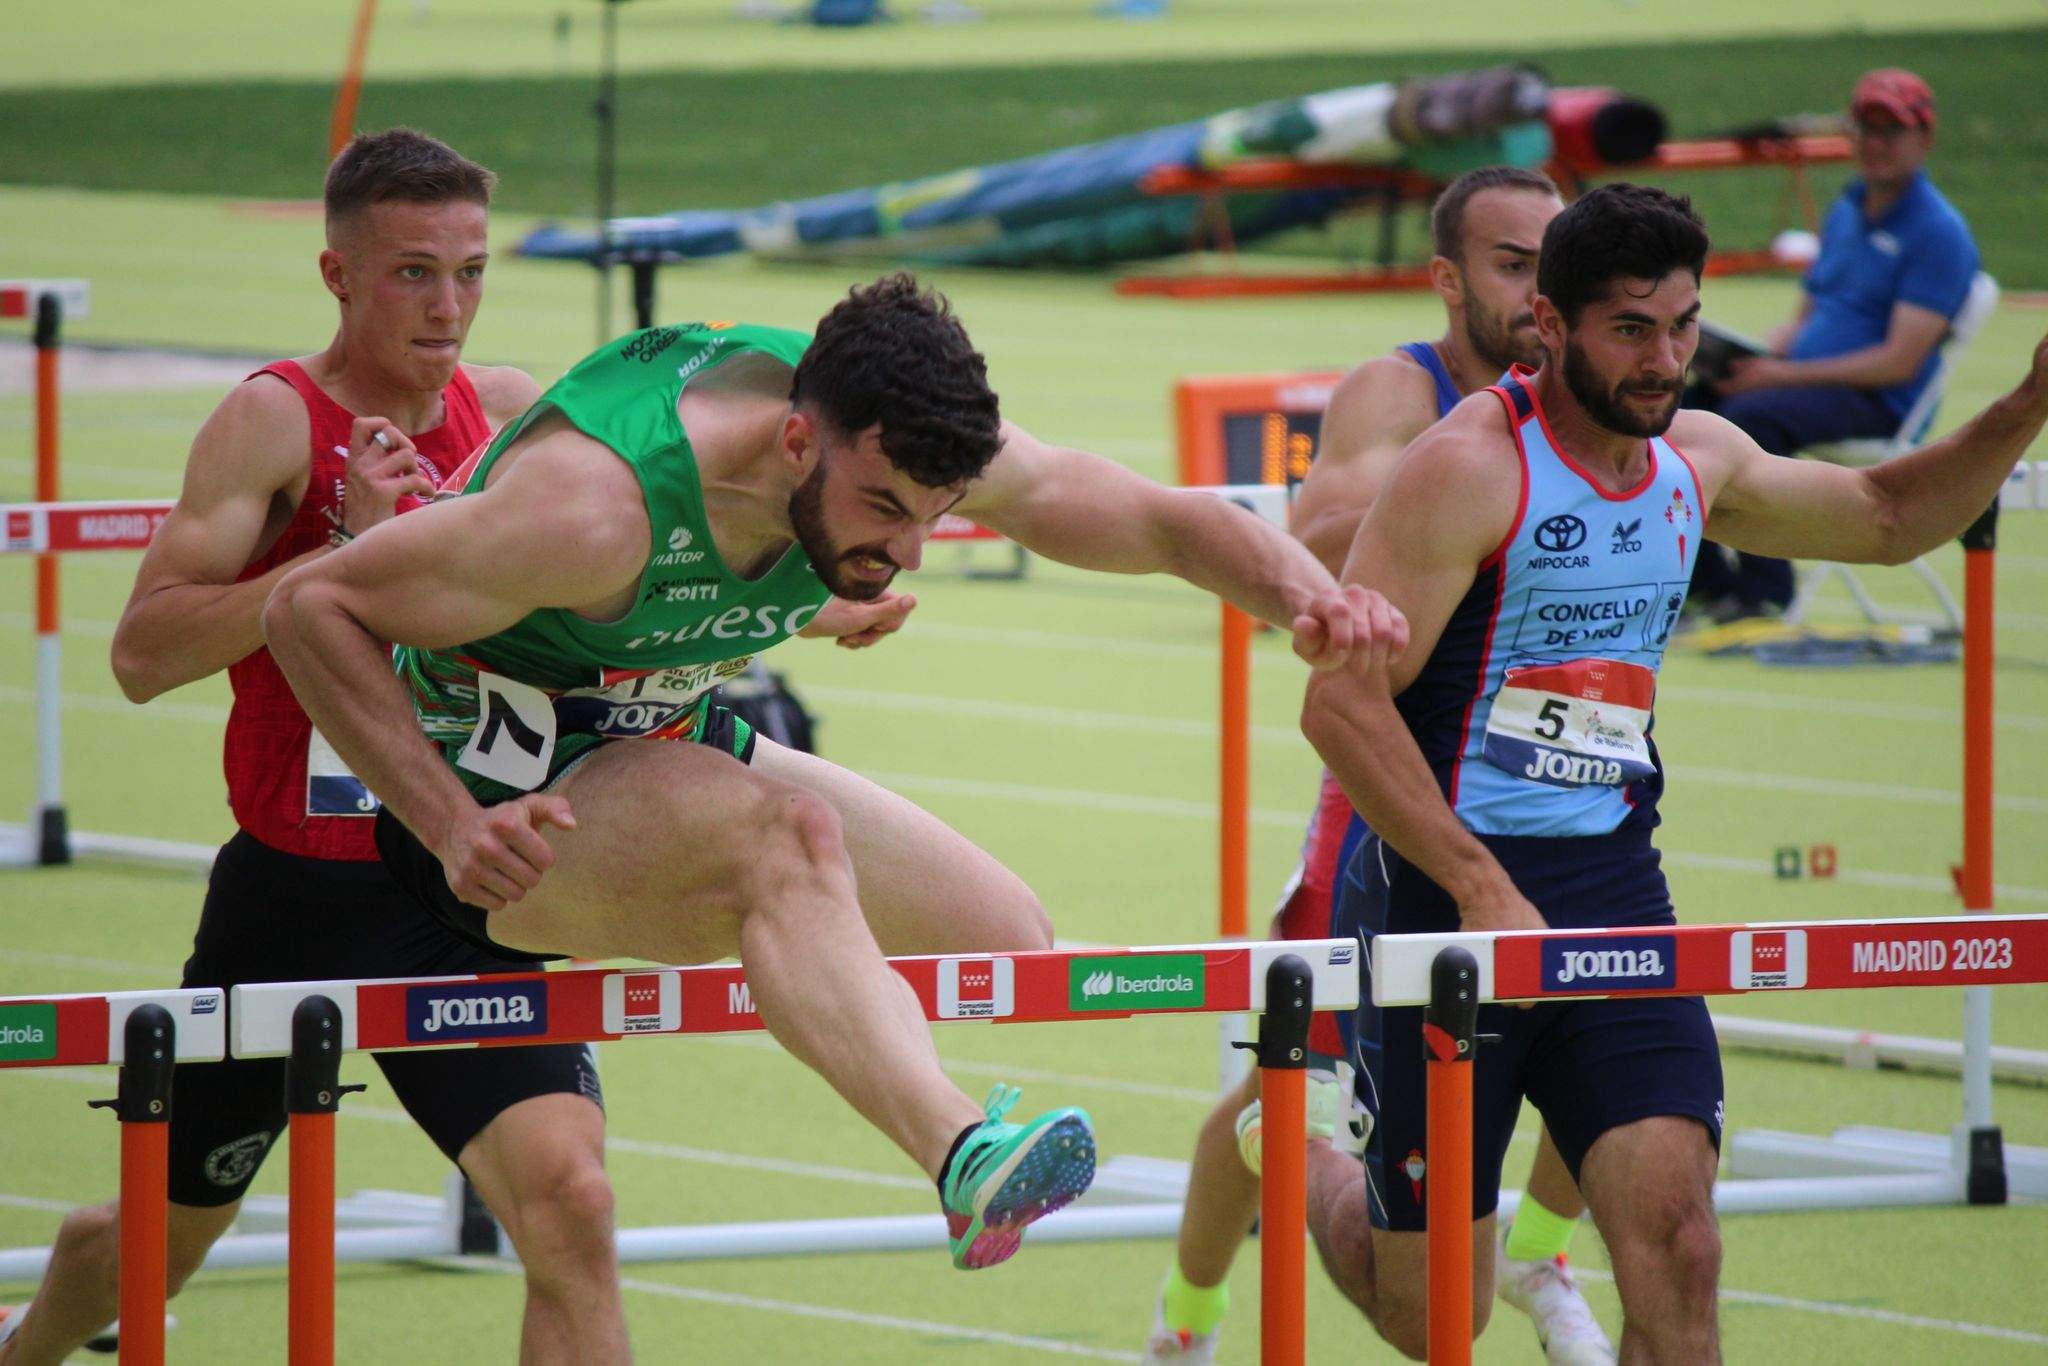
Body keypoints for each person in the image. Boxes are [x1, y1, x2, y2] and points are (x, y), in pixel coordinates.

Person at [260, 273, 1399, 1273]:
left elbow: (1155, 519)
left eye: (935, 520)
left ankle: (780, 932)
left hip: (657, 744)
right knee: (786, 840)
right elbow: (311, 605)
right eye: (886, 514)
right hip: (503, 808)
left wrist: (1312, 598)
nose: (905, 550)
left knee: (1002, 940)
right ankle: (959, 1151)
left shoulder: (878, 430)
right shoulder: (591, 510)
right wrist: (449, 819)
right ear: (798, 443)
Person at [1299, 182, 2047, 1361]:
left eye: (1684, 326)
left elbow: (1887, 514)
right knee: (1430, 1313)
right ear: (1549, 324)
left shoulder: (1694, 457)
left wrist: (2027, 400)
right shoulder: (1466, 468)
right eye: (1630, 330)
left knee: (1679, 1250)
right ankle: (1294, 1158)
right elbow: (1339, 703)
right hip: (1443, 902)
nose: (1664, 361)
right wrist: (1481, 883)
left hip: (1610, 893)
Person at [0, 129, 640, 1366]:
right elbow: (142, 653)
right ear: (338, 275)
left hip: (466, 883)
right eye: (411, 272)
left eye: (469, 269)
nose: (446, 306)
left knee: (575, 1207)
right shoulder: (270, 421)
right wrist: (338, 557)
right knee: (159, 1236)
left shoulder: (505, 412)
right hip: (298, 898)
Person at [1144, 166, 1612, 1366]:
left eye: (1552, 262)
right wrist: (1463, 497)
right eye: (1511, 263)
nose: (1536, 288)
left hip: (1555, 796)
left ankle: (1540, 1248)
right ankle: (1184, 1325)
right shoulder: (1399, 390)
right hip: (1388, 794)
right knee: (1274, 1097)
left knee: (1626, 1005)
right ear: (1448, 278)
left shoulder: (1599, 381)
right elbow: (1312, 533)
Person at [1689, 67, 1980, 621]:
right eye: (1865, 129)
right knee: (1683, 413)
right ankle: (1706, 583)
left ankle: (1766, 592)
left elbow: (1898, 362)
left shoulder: (1938, 233)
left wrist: (1777, 376)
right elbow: (1811, 309)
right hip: (1801, 382)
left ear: (1925, 138)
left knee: (1752, 417)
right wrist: (1761, 354)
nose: (1875, 144)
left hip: (1875, 403)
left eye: (1891, 131)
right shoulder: (1848, 207)